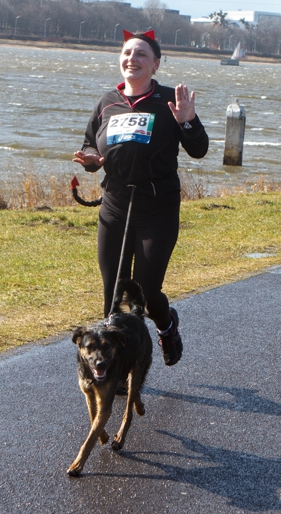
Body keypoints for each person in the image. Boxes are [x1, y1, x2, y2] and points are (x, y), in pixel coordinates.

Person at [73, 29, 209, 366]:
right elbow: (91, 143)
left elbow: (199, 150)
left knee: (145, 293)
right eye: (127, 53)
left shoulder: (169, 102)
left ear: (156, 64)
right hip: (115, 205)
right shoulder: (108, 102)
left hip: (157, 207)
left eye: (141, 54)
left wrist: (188, 121)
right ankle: (114, 363)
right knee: (114, 290)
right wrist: (91, 160)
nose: (131, 59)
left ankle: (167, 326)